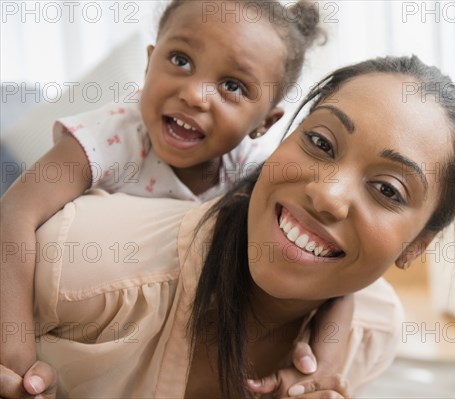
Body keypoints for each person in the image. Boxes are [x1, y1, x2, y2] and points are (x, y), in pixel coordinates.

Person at [0, 55, 455, 398]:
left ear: (417, 246)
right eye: (319, 141)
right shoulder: (81, 260)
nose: (327, 195)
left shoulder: (371, 333)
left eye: (387, 191)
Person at [1, 0, 364, 390]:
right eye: (180, 59)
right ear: (149, 62)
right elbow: (14, 214)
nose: (194, 94)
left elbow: (337, 280)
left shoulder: (249, 171)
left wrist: (327, 355)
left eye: (232, 86)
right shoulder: (113, 136)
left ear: (264, 123)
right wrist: (15, 354)